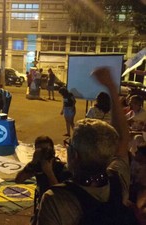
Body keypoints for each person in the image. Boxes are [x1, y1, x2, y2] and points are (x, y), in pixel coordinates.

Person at [37, 67, 133, 225]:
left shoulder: (55, 199)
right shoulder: (118, 179)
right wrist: (111, 88)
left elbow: (122, 139)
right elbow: (122, 139)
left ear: (74, 156)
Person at [15, 136, 71, 225]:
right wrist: (33, 163)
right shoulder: (37, 166)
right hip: (41, 205)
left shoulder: (60, 167)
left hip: (56, 210)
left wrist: (49, 172)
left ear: (53, 150)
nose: (44, 153)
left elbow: (59, 196)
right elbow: (18, 180)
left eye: (46, 149)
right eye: (40, 150)